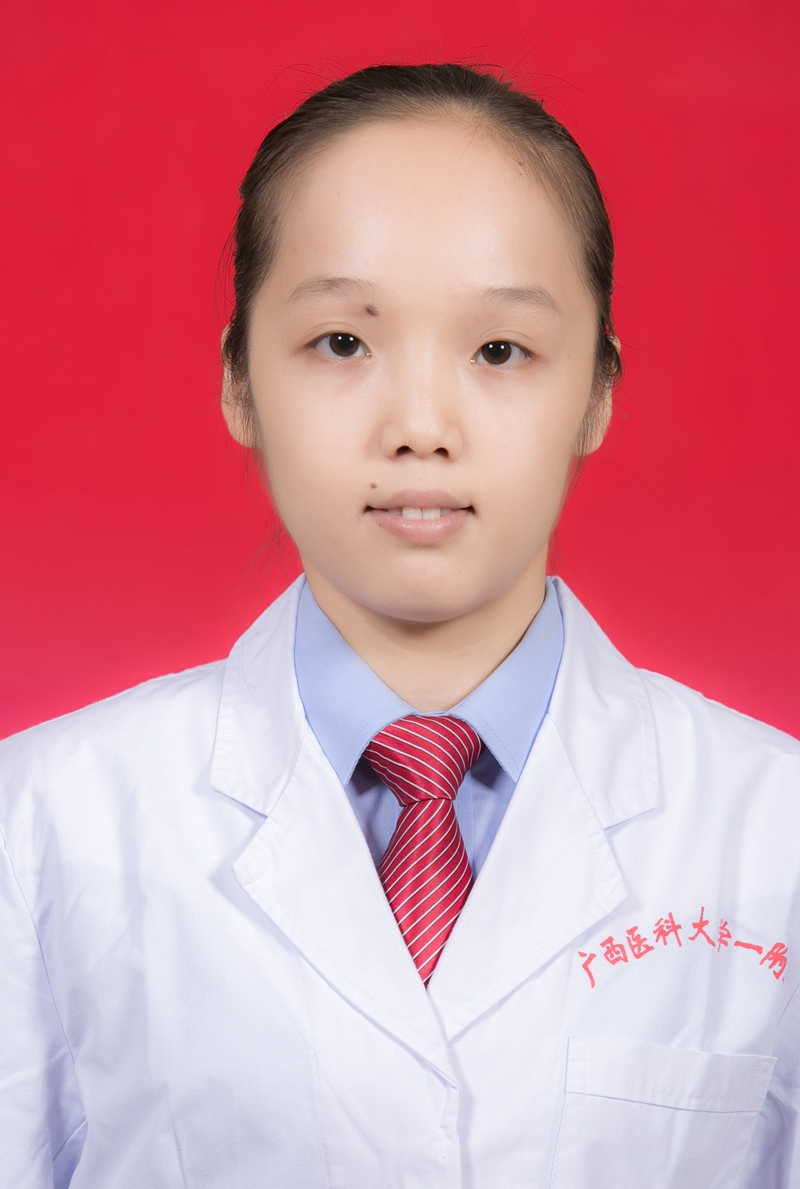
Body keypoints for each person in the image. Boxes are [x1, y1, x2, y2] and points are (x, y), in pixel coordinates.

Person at [0, 63, 797, 1189]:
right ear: (238, 381)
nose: (420, 426)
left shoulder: (771, 833)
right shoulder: (43, 820)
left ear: (597, 393)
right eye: (341, 343)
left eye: (499, 351)